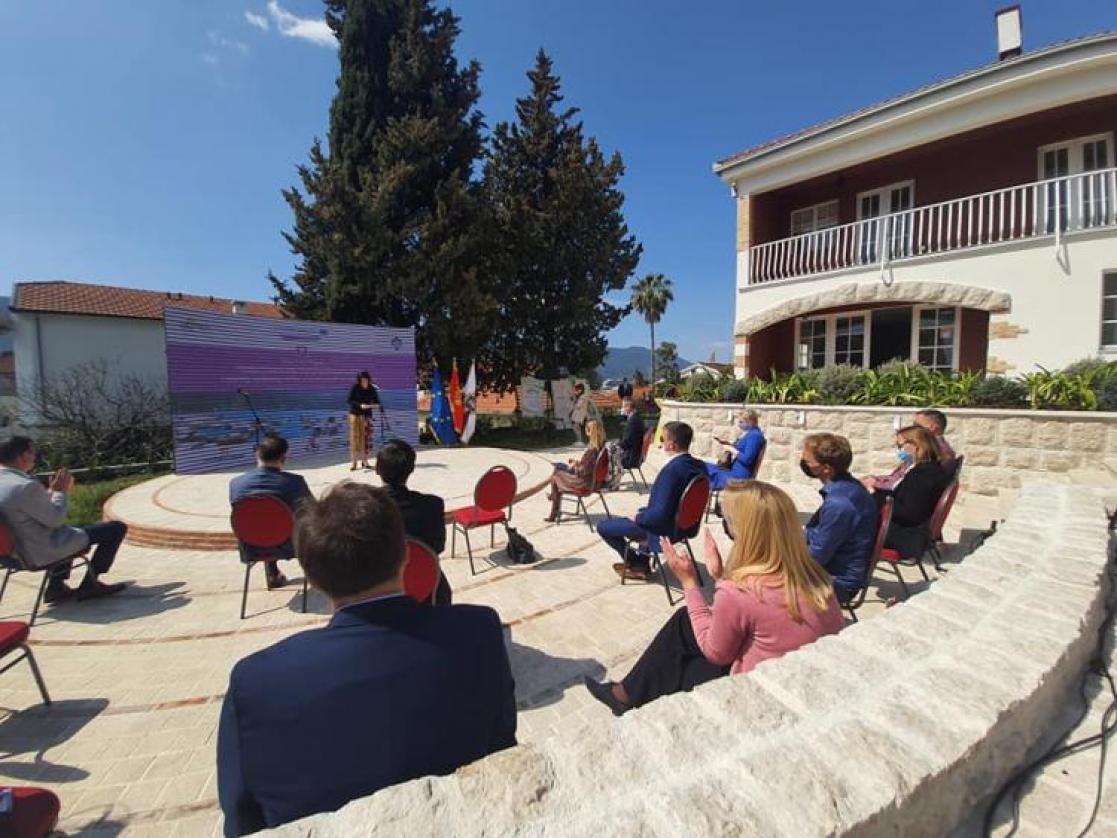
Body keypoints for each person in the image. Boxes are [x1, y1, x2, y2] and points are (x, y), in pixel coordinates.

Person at [217, 482, 516, 835]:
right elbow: (502, 750)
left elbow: (241, 816)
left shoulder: (257, 684)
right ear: (406, 554)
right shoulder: (478, 631)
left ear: (310, 578)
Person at [583, 481, 842, 715]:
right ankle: (626, 693)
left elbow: (716, 652)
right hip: (796, 676)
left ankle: (636, 705)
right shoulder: (817, 578)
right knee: (685, 623)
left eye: (726, 520)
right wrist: (720, 576)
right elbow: (760, 617)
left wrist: (689, 582)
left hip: (757, 692)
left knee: (679, 661)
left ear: (743, 531)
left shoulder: (740, 591)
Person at [0, 436, 127, 604]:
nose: (35, 457)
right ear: (23, 456)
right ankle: (90, 583)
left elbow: (27, 512)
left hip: (9, 554)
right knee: (116, 528)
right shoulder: (24, 486)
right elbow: (55, 520)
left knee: (76, 530)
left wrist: (51, 492)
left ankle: (56, 587)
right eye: (33, 453)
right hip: (37, 552)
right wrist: (61, 492)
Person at [596, 421, 706, 581]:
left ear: (672, 445)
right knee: (644, 510)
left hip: (663, 529)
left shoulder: (671, 472)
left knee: (603, 527)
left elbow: (658, 516)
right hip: (684, 527)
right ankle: (642, 561)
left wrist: (639, 518)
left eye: (662, 439)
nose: (660, 443)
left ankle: (635, 562)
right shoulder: (699, 466)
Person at [800, 433, 877, 604]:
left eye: (808, 462)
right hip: (831, 568)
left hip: (836, 581)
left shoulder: (839, 503)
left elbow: (817, 556)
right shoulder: (848, 487)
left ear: (826, 468)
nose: (804, 465)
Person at [375, 438, 452, 606]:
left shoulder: (365, 510)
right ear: (411, 469)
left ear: (377, 469)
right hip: (429, 588)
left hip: (379, 590)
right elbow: (437, 547)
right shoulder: (433, 504)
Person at [229, 435, 311, 590]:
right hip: (290, 546)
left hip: (251, 546)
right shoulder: (294, 482)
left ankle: (272, 573)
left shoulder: (236, 484)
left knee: (263, 522)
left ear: (257, 455)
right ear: (283, 458)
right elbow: (313, 511)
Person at [875, 425, 950, 558]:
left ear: (916, 445)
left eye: (901, 446)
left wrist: (875, 497)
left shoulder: (923, 475)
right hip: (906, 531)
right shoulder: (925, 470)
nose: (899, 450)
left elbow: (909, 513)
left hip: (906, 536)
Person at [545, 419, 607, 522]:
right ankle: (553, 500)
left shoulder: (592, 451)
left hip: (584, 484)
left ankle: (553, 508)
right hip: (593, 481)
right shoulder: (601, 447)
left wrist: (574, 467)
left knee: (555, 476)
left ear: (590, 432)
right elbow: (590, 467)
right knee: (558, 469)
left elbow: (583, 472)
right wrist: (578, 463)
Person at [705, 409, 765, 489]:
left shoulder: (754, 436)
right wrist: (730, 445)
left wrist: (732, 450)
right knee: (702, 465)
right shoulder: (752, 434)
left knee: (702, 468)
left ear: (750, 422)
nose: (739, 425)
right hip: (734, 471)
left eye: (741, 422)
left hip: (738, 477)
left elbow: (747, 459)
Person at [347, 371, 380, 471]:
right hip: (355, 415)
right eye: (362, 380)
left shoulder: (372, 388)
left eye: (366, 380)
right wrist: (360, 405)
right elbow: (349, 400)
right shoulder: (355, 387)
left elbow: (377, 401)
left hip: (367, 416)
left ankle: (365, 462)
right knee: (354, 438)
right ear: (359, 380)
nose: (364, 382)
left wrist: (375, 405)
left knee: (366, 439)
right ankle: (354, 463)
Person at [913, 409, 957, 474]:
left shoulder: (937, 451)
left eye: (917, 426)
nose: (912, 429)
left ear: (933, 427)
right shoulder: (939, 447)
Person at [617, 399, 646, 470]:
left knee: (609, 457)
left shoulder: (633, 421)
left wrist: (616, 446)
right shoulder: (637, 418)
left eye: (623, 406)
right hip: (636, 455)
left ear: (628, 407)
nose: (622, 409)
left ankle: (611, 480)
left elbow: (627, 442)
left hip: (631, 458)